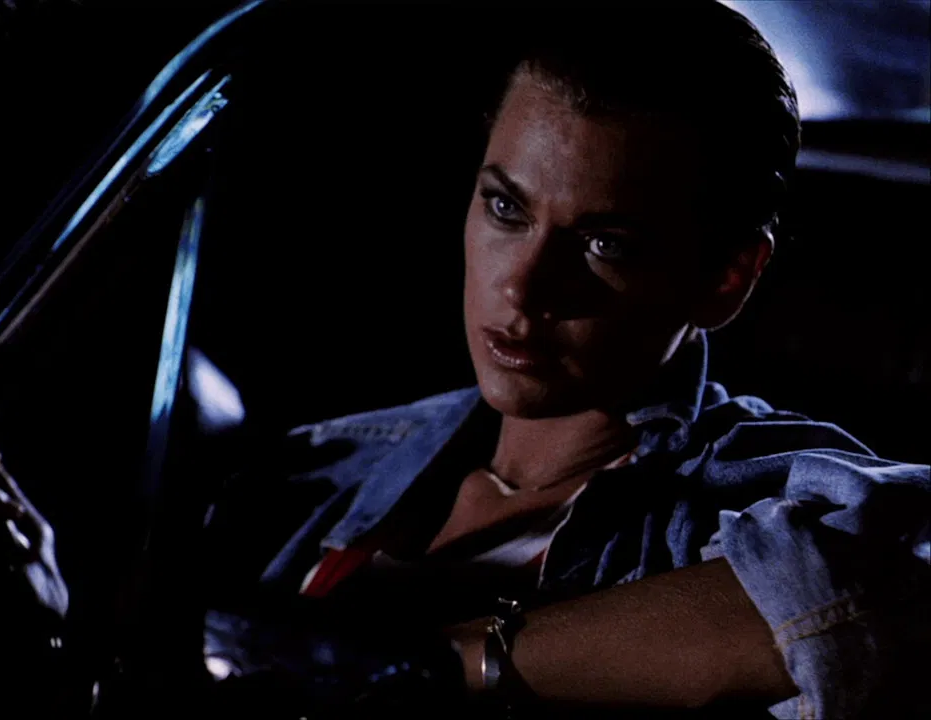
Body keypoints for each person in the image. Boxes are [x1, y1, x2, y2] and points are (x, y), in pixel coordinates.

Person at [196, 2, 931, 718]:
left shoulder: (744, 495)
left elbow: (884, 590)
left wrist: (433, 667)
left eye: (605, 243)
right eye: (506, 208)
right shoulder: (320, 470)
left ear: (725, 280)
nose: (523, 286)